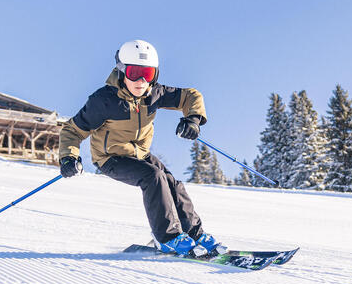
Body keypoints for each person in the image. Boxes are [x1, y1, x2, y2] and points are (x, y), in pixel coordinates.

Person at [58, 39, 226, 256]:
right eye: (134, 72)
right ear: (121, 71)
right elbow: (72, 130)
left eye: (147, 74)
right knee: (153, 177)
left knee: (172, 183)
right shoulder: (104, 101)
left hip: (140, 154)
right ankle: (168, 238)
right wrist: (68, 158)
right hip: (110, 158)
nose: (140, 81)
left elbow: (190, 96)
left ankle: (194, 233)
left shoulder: (154, 93)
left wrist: (193, 119)